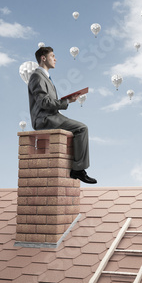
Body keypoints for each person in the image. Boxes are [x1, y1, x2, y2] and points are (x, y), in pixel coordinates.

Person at [28, 46, 97, 184]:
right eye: (52, 56)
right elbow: (44, 102)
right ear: (43, 58)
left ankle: (77, 167)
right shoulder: (37, 76)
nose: (55, 59)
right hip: (44, 119)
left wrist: (67, 100)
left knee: (79, 128)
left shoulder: (45, 77)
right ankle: (78, 169)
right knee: (81, 128)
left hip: (52, 116)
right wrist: (66, 101)